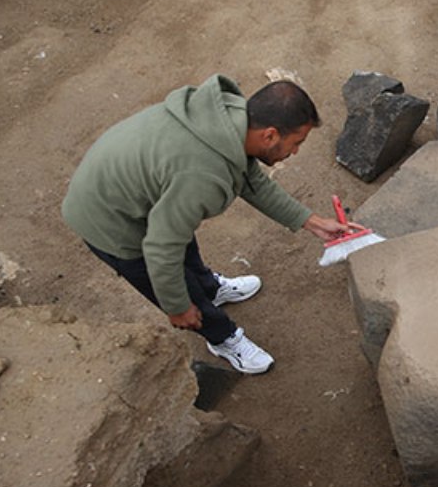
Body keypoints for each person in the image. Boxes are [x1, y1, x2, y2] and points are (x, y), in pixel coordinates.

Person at [62, 74, 360, 374]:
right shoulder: (201, 176)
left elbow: (250, 180)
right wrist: (177, 306)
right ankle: (222, 338)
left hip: (134, 189)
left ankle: (210, 287)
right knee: (179, 282)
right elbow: (160, 249)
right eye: (296, 143)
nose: (295, 152)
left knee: (181, 229)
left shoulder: (228, 120)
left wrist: (311, 221)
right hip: (109, 220)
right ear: (270, 135)